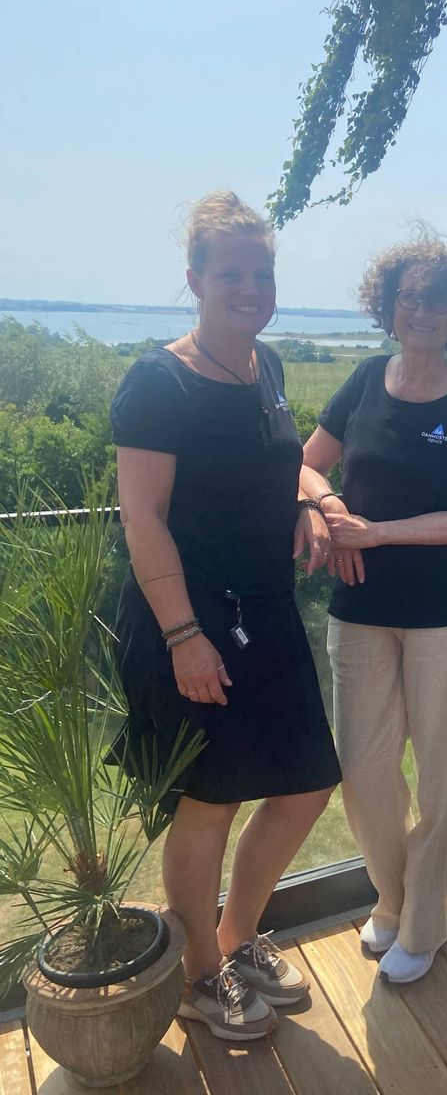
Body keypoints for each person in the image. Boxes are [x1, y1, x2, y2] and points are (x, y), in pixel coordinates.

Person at [110, 191, 341, 1039]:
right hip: (190, 617)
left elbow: (277, 465)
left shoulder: (264, 367)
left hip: (264, 610)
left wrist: (309, 501)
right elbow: (143, 516)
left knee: (308, 782)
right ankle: (199, 975)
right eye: (231, 274)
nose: (250, 289)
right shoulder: (160, 381)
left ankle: (238, 940)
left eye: (262, 274)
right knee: (211, 800)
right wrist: (183, 636)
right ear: (196, 279)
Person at [300, 234, 447, 985]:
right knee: (363, 769)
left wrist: (377, 533)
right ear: (389, 307)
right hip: (359, 607)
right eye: (409, 297)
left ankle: (425, 922)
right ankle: (391, 899)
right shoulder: (364, 380)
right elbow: (303, 461)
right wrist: (327, 505)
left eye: (438, 299)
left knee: (440, 776)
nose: (422, 310)